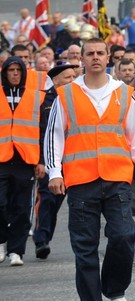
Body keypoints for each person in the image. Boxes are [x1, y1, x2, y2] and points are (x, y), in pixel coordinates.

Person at [44, 38, 135, 301]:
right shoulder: (66, 94)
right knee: (85, 245)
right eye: (89, 53)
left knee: (123, 235)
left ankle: (115, 288)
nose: (95, 58)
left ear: (108, 58)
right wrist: (55, 173)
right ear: (81, 58)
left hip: (117, 177)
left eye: (99, 53)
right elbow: (54, 137)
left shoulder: (123, 93)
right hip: (80, 179)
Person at [32, 62, 78, 259]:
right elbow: (40, 133)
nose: (72, 81)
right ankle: (41, 239)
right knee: (47, 198)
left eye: (74, 77)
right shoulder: (43, 100)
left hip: (74, 159)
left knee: (58, 201)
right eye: (67, 78)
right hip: (50, 158)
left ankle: (45, 235)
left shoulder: (77, 98)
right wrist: (41, 161)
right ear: (55, 80)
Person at [0, 56, 43, 266]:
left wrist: (42, 161)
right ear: (5, 73)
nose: (15, 74)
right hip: (1, 159)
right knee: (0, 204)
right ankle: (1, 240)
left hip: (25, 160)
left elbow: (43, 132)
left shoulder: (36, 97)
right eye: (11, 70)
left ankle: (16, 251)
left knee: (22, 208)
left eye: (18, 70)